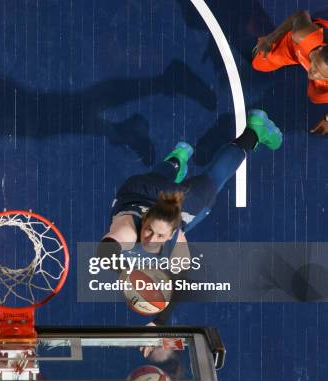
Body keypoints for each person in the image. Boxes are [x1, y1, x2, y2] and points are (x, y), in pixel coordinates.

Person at [97, 109, 283, 330]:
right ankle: (188, 155)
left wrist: (156, 316)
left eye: (160, 235)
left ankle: (247, 134)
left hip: (151, 190)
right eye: (148, 230)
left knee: (212, 181)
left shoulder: (178, 235)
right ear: (145, 220)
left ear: (175, 231)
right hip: (137, 190)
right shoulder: (128, 231)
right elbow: (106, 250)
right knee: (178, 179)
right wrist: (126, 275)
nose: (151, 238)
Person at [252, 10, 328, 135]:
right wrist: (270, 38)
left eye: (321, 74)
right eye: (314, 66)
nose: (312, 74)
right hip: (296, 47)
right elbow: (300, 15)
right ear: (320, 49)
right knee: (259, 63)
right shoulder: (303, 35)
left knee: (316, 97)